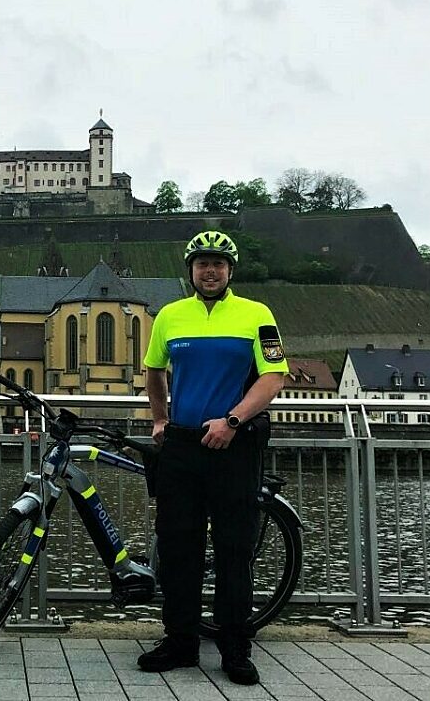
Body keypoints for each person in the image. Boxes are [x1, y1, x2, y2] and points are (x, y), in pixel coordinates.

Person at [137, 230, 287, 686]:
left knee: (233, 549)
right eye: (202, 263)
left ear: (230, 271)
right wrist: (159, 419)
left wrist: (233, 421)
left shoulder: (256, 314)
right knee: (178, 548)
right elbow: (154, 370)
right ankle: (180, 641)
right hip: (181, 446)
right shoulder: (170, 315)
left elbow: (274, 376)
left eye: (219, 264)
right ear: (191, 270)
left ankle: (235, 647)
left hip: (234, 448)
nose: (210, 271)